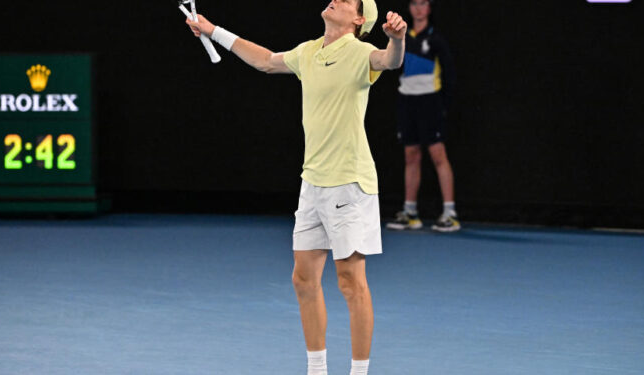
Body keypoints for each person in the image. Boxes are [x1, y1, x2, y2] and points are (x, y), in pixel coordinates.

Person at [185, 1, 406, 374]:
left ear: (357, 20)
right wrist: (212, 30)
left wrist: (397, 39)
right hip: (313, 183)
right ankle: (316, 369)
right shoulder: (308, 51)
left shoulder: (359, 52)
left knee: (351, 283)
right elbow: (266, 60)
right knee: (303, 280)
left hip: (350, 184)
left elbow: (390, 61)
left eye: (347, 0)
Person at [385, 0, 459, 232]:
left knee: (438, 154)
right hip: (407, 101)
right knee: (411, 155)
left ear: (429, 8)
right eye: (414, 3)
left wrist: (442, 105)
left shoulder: (435, 39)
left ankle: (450, 212)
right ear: (409, 8)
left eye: (423, 3)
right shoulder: (401, 37)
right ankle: (410, 212)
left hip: (431, 101)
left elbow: (449, 75)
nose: (418, 8)